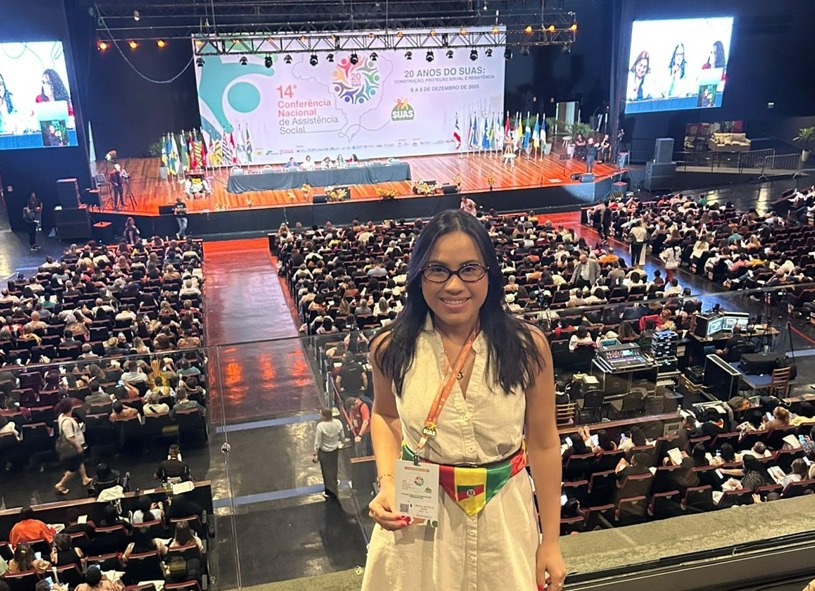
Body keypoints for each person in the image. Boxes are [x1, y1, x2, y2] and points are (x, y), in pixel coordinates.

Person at [361, 209, 565, 591]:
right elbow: (385, 415)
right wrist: (387, 482)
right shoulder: (390, 347)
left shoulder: (527, 347)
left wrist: (550, 541)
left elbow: (543, 442)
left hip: (505, 517)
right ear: (418, 275)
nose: (454, 285)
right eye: (438, 270)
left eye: (469, 269)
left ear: (489, 274)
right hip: (418, 519)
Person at [54, 398, 93, 495]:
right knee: (73, 469)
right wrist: (78, 446)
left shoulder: (61, 416)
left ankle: (85, 478)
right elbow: (70, 437)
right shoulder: (67, 422)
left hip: (72, 447)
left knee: (80, 461)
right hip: (72, 448)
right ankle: (61, 484)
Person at [312, 408, 344, 499]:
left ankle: (329, 491)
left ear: (324, 416)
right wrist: (340, 442)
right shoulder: (338, 423)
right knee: (334, 466)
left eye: (320, 414)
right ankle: (334, 482)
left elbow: (318, 442)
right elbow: (342, 436)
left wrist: (315, 453)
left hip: (324, 452)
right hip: (334, 450)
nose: (319, 415)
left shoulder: (321, 426)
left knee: (326, 471)